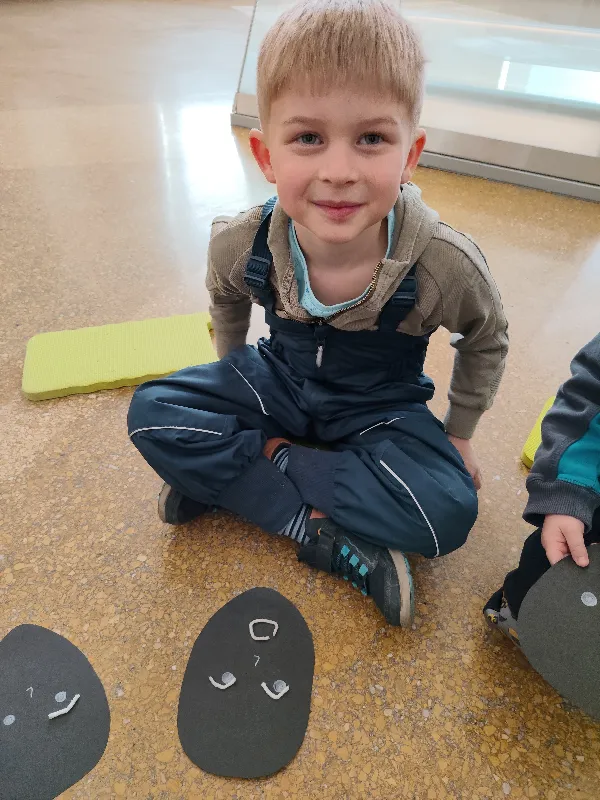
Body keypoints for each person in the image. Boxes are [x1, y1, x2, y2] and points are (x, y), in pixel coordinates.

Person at [128, 0, 508, 627]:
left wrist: (460, 433)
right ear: (265, 155)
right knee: (151, 413)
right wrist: (232, 370)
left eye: (371, 139)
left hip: (378, 406)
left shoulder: (443, 262)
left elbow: (486, 337)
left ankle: (253, 472)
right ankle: (315, 527)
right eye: (308, 138)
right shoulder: (242, 241)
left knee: (448, 510)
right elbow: (224, 294)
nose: (338, 172)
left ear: (410, 154)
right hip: (277, 380)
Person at [484, 333, 600, 645]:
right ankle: (514, 608)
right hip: (591, 492)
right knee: (558, 558)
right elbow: (590, 398)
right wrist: (569, 492)